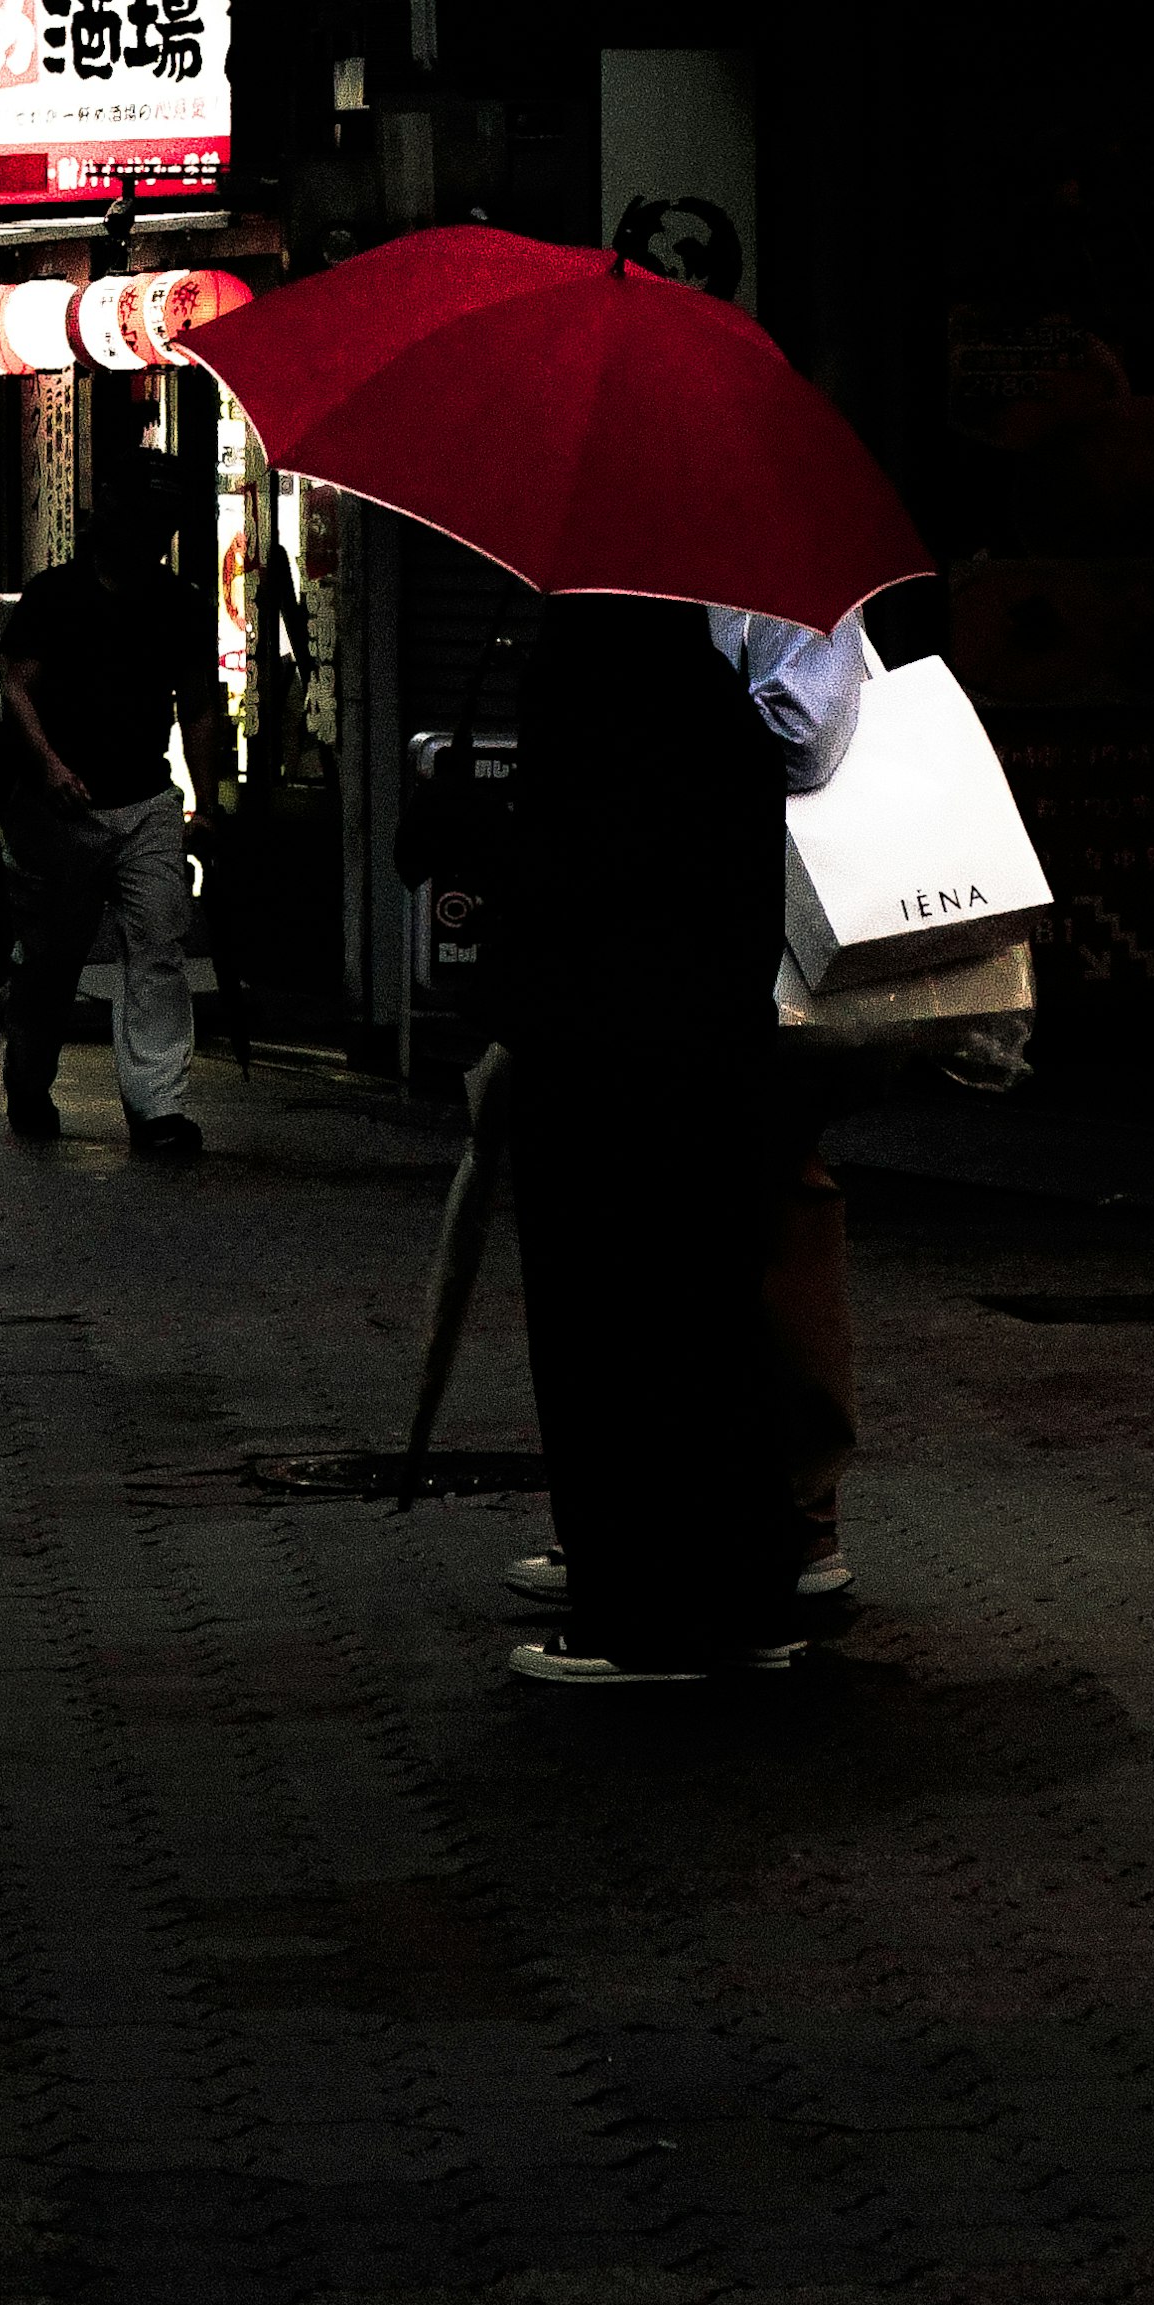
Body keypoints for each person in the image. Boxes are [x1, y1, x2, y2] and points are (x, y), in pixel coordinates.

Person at [486, 596, 868, 1695]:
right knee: (706, 1303)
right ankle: (742, 1594)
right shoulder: (698, 685)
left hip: (607, 1036)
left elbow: (572, 853)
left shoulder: (609, 658)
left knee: (617, 1317)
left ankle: (647, 1614)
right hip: (710, 1021)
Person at [0, 441, 227, 1167]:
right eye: (144, 522)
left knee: (159, 947)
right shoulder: (56, 596)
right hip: (60, 805)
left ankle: (158, 1106)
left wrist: (207, 801)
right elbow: (17, 688)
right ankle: (29, 1079)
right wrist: (52, 766)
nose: (152, 540)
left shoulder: (181, 606)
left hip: (147, 796)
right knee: (53, 960)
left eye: (163, 526)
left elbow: (197, 707)